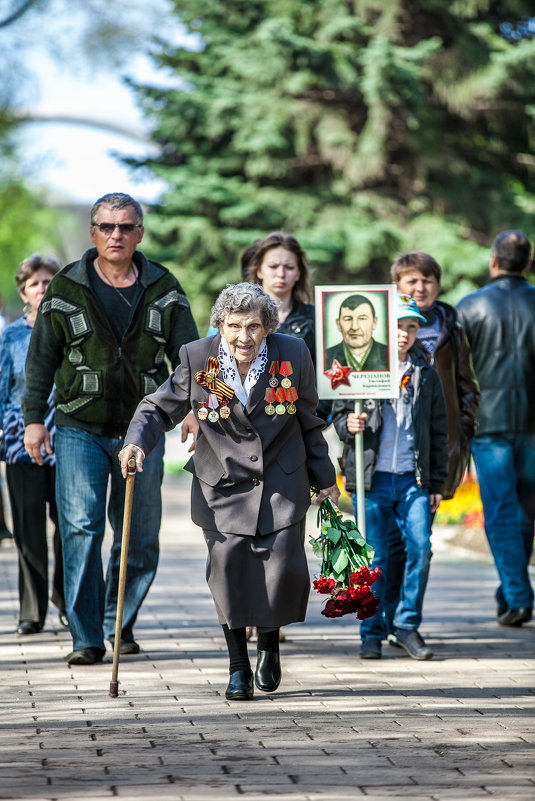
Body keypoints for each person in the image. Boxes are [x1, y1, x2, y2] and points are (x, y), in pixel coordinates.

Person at [119, 283, 339, 701]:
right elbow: (156, 407)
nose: (244, 337)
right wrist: (135, 443)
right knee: (228, 572)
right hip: (221, 482)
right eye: (234, 326)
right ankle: (238, 665)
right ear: (220, 324)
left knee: (282, 572)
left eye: (254, 326)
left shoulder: (293, 353)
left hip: (280, 477)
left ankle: (269, 645)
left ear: (268, 327)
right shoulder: (197, 356)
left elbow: (308, 419)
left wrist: (324, 475)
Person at [23, 192, 199, 666]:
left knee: (139, 536)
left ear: (140, 232)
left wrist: (193, 409)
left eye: (125, 227)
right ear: (93, 232)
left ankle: (116, 624)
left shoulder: (164, 287)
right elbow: (42, 358)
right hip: (79, 425)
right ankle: (86, 636)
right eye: (106, 227)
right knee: (80, 529)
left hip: (144, 428)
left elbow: (190, 359)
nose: (116, 235)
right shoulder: (66, 286)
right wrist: (35, 420)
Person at [332, 294, 448, 660]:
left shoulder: (425, 374)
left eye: (412, 326)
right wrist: (349, 426)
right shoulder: (361, 368)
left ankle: (407, 624)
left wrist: (437, 484)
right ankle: (371, 631)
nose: (405, 333)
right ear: (382, 328)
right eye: (399, 325)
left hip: (413, 480)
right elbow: (338, 416)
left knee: (421, 548)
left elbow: (439, 431)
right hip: (374, 480)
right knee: (376, 559)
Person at [383, 252, 480, 641]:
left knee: (417, 542)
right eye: (411, 280)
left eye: (427, 280)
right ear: (397, 286)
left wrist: (464, 431)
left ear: (438, 286)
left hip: (436, 451)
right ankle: (390, 620)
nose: (420, 287)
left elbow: (465, 384)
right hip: (386, 454)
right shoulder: (380, 325)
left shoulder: (450, 325)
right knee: (388, 545)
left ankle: (405, 623)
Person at [456, 230, 535, 627]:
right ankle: (512, 595)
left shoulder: (468, 307)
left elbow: (455, 372)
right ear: (529, 263)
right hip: (532, 426)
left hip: (488, 425)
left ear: (493, 261)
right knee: (525, 512)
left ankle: (518, 597)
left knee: (502, 512)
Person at [0, 254, 67, 634]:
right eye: (35, 284)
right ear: (24, 294)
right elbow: (4, 389)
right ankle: (31, 609)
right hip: (19, 443)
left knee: (69, 527)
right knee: (27, 530)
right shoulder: (10, 336)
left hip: (69, 442)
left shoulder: (71, 329)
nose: (42, 288)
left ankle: (64, 598)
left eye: (48, 281)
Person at [324, 294, 389, 372]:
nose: (354, 327)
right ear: (338, 324)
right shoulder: (325, 357)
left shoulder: (389, 355)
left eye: (362, 318)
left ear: (374, 322)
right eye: (348, 319)